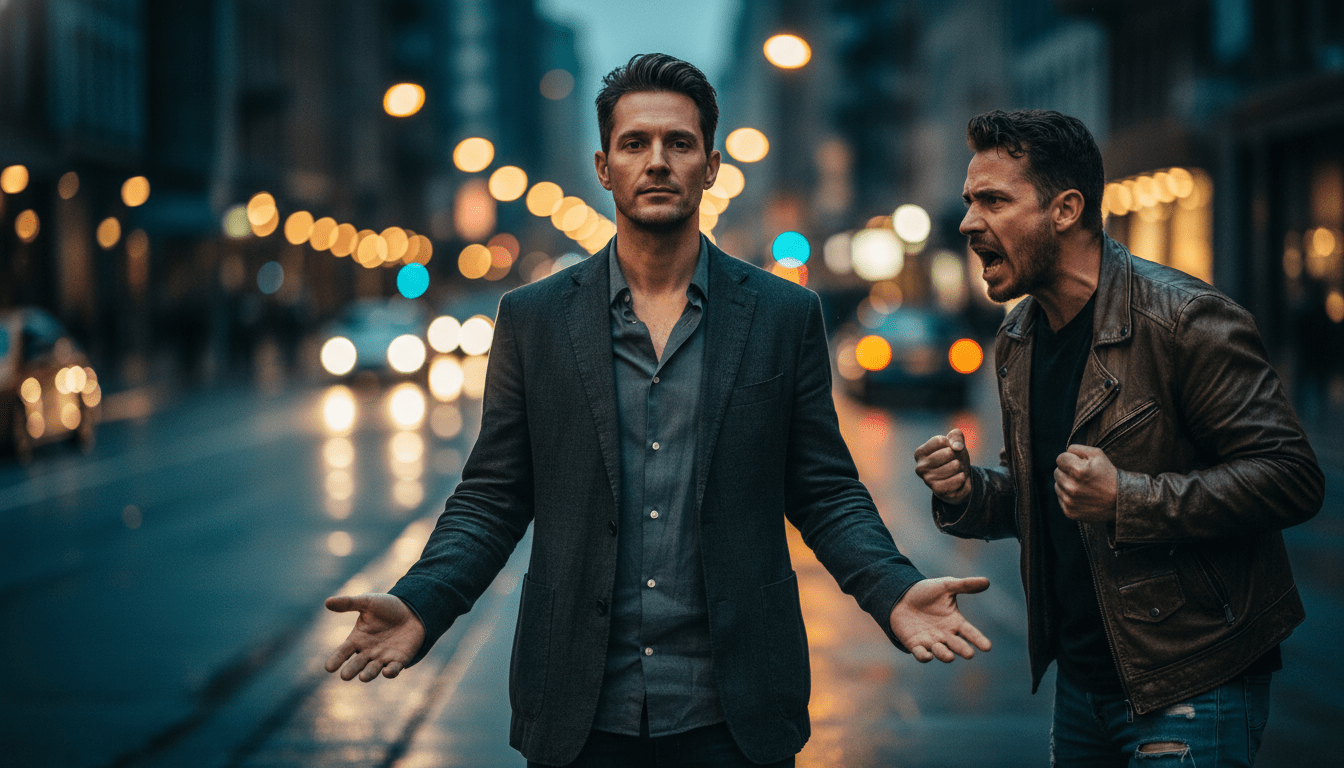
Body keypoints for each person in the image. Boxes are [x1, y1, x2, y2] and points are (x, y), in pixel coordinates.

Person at [324, 53, 993, 768]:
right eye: (634, 143)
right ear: (604, 165)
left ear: (709, 164)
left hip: (735, 711)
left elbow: (824, 491)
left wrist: (894, 591)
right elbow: (493, 496)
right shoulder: (535, 318)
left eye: (679, 143)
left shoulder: (782, 315)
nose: (657, 162)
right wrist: (422, 602)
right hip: (579, 708)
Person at [914, 108, 1323, 766]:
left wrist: (1127, 498)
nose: (967, 223)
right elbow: (1045, 497)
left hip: (1194, 678)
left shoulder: (1186, 320)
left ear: (1066, 209)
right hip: (1083, 683)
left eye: (993, 200)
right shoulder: (1018, 337)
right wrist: (970, 493)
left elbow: (1291, 478)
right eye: (969, 202)